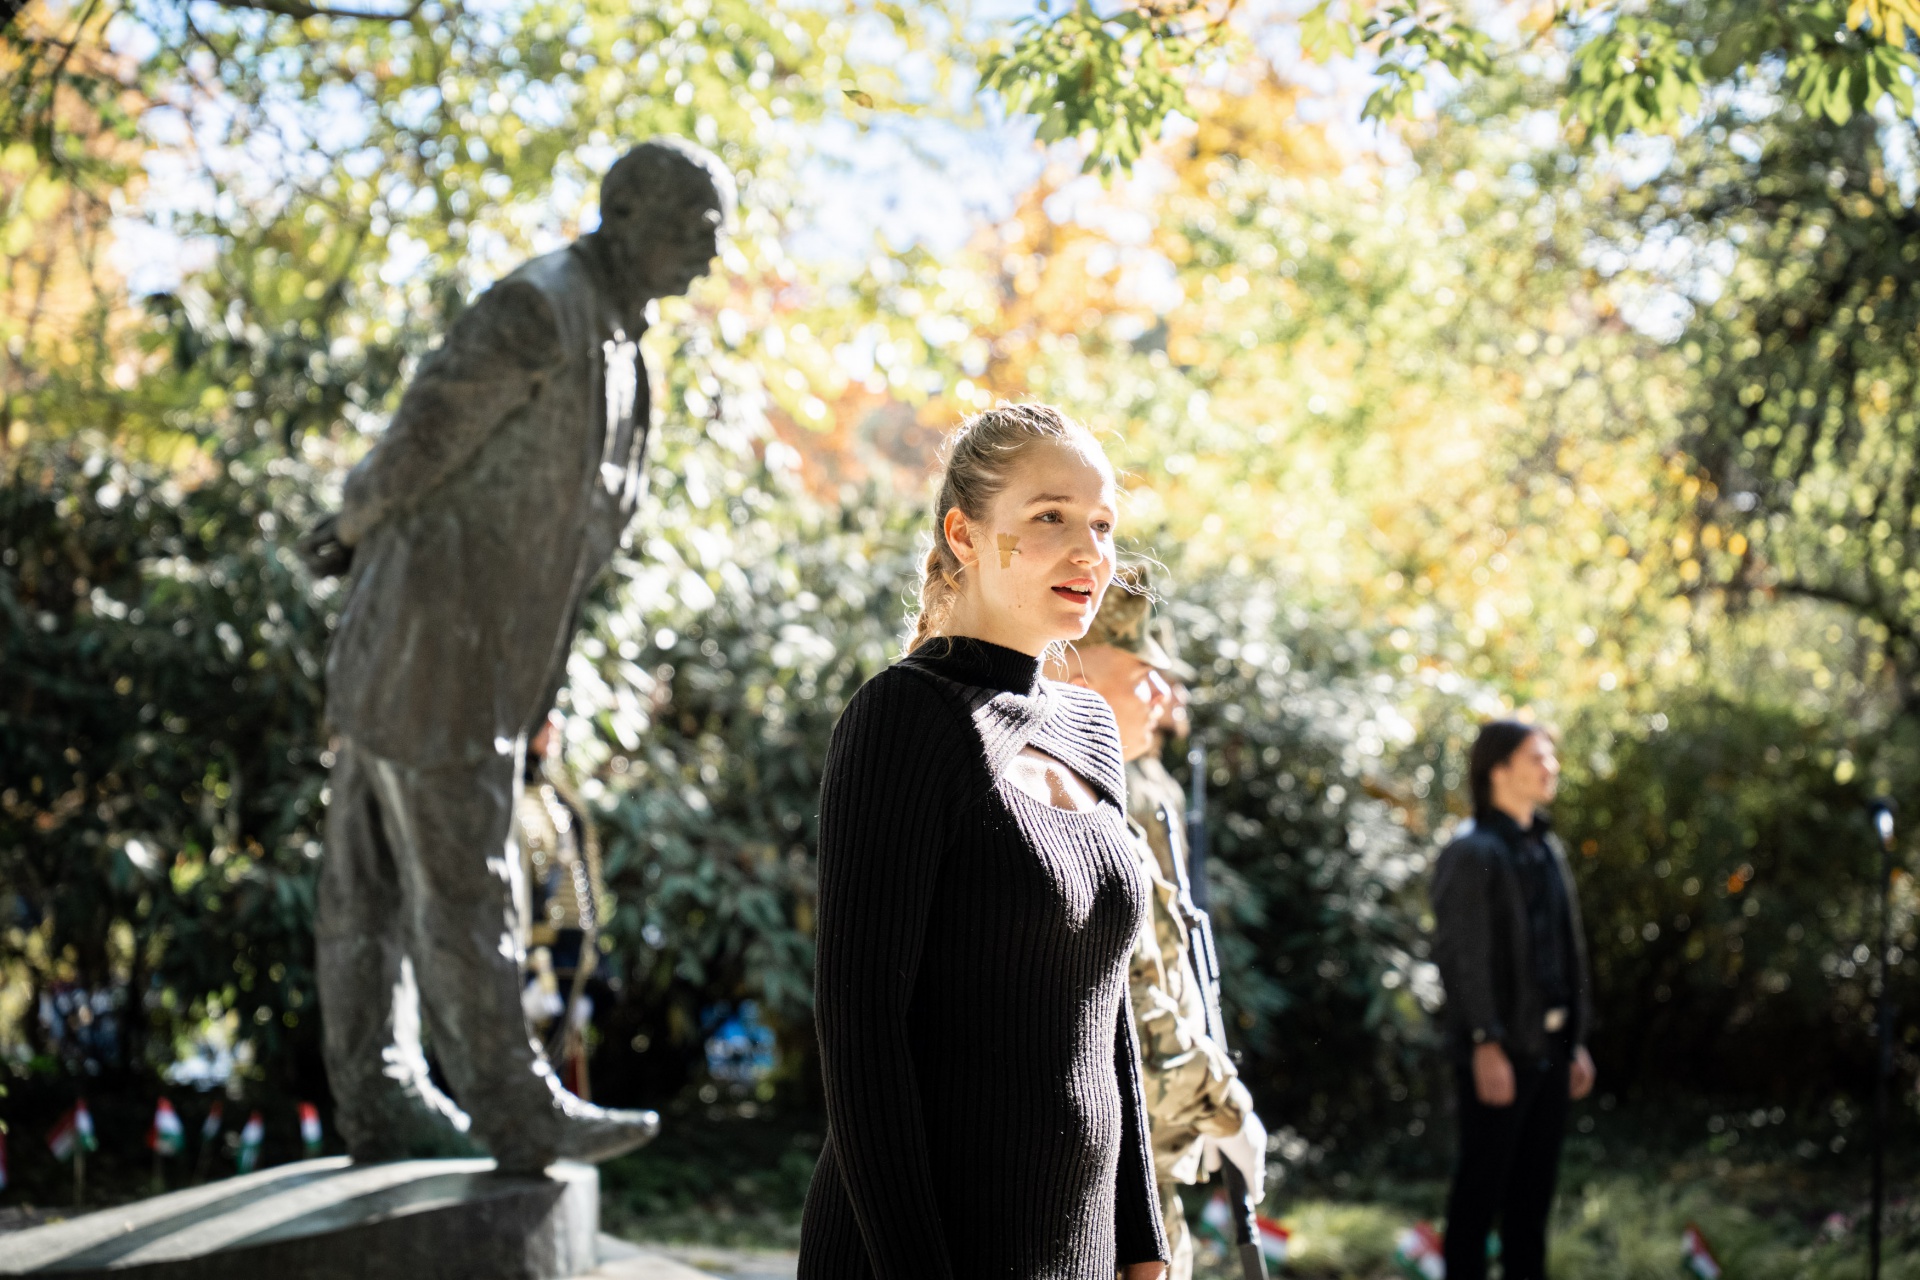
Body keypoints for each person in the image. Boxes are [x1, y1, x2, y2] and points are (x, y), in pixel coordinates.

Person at [297, 138, 733, 1171]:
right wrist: (349, 522)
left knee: (369, 886)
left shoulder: (623, 345)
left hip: (478, 660)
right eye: (696, 228)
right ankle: (514, 1109)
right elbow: (422, 437)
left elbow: (567, 539)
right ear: (626, 213)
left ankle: (379, 1095)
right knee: (458, 882)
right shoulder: (541, 306)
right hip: (429, 648)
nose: (711, 255)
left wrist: (537, 692)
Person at [798, 404, 1169, 1280]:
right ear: (964, 535)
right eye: (1050, 517)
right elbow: (860, 1033)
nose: (1090, 551)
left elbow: (1105, 1010)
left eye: (1102, 524)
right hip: (922, 1252)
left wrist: (1143, 1245)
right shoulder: (903, 718)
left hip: (1077, 1248)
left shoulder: (1089, 727)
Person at [1048, 568, 1262, 1280]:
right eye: (1143, 676)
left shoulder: (1113, 795)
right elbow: (1120, 1008)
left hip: (1138, 1177)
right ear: (1073, 670)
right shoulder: (1066, 802)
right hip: (1098, 1184)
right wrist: (1224, 1104)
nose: (1162, 701)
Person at [1430, 721, 1597, 1280]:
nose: (1551, 766)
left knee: (1532, 1204)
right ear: (1498, 770)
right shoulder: (1471, 851)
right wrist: (1486, 1042)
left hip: (1550, 1052)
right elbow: (1463, 958)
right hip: (1500, 1056)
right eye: (1536, 757)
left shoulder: (1545, 847)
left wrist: (1575, 1042)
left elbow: (1567, 952)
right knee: (1479, 1199)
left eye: (1550, 756)